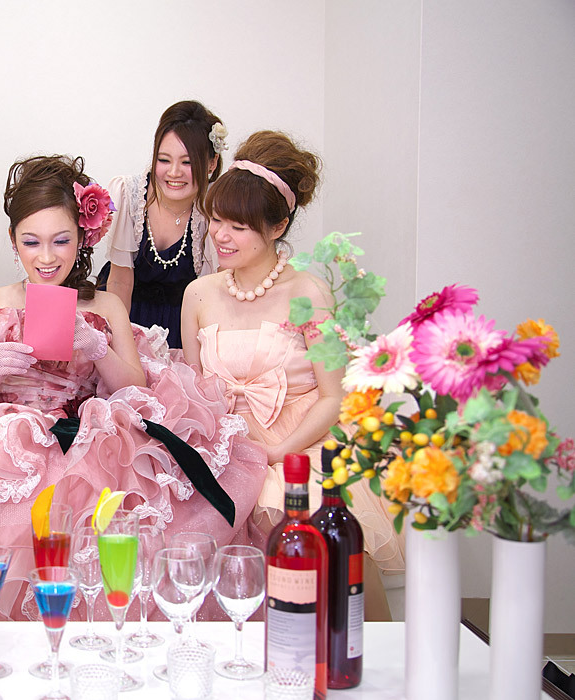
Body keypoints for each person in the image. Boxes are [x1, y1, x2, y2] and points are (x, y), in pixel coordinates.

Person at [0, 154, 267, 618]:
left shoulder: (105, 306)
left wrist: (99, 349)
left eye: (61, 241)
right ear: (13, 241)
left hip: (87, 446)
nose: (46, 257)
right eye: (30, 242)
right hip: (6, 441)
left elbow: (137, 391)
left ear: (82, 239)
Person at [180, 131, 404, 605]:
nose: (221, 235)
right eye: (216, 219)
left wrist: (280, 451)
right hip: (228, 446)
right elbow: (196, 393)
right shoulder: (198, 294)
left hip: (302, 443)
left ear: (278, 226)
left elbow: (334, 397)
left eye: (239, 226)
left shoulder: (309, 293)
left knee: (321, 542)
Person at [100, 100, 227, 348]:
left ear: (211, 163)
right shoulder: (130, 195)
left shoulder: (216, 209)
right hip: (125, 313)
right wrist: (121, 346)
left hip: (184, 324)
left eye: (187, 162)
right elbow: (120, 282)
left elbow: (213, 294)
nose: (174, 172)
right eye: (164, 160)